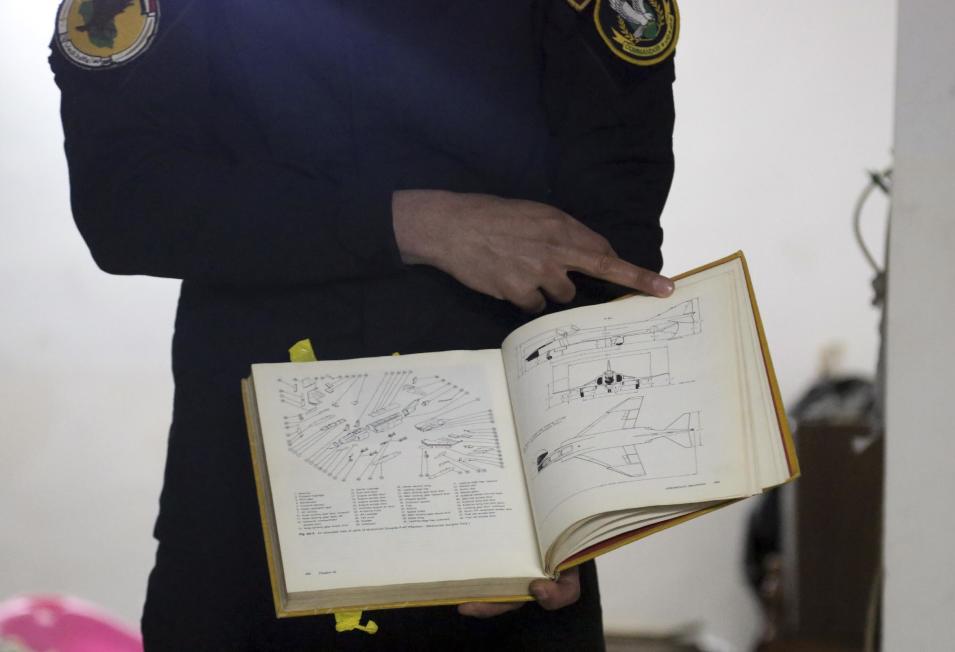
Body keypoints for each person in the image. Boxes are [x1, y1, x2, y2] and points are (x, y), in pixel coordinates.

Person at [50, 0, 679, 649]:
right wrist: (412, 224)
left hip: (504, 505)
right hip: (257, 494)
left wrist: (572, 512)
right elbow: (126, 204)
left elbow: (609, 244)